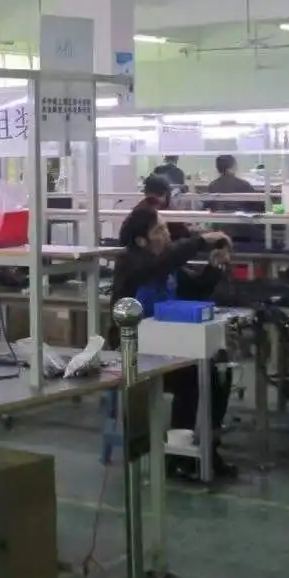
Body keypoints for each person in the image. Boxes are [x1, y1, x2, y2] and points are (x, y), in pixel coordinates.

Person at [111, 205, 236, 478]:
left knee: (220, 370)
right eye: (159, 230)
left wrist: (214, 266)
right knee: (192, 376)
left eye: (166, 228)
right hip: (137, 355)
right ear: (141, 240)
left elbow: (195, 290)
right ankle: (179, 455)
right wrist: (201, 240)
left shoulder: (168, 267)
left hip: (170, 346)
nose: (166, 235)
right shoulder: (131, 264)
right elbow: (160, 263)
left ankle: (208, 447)